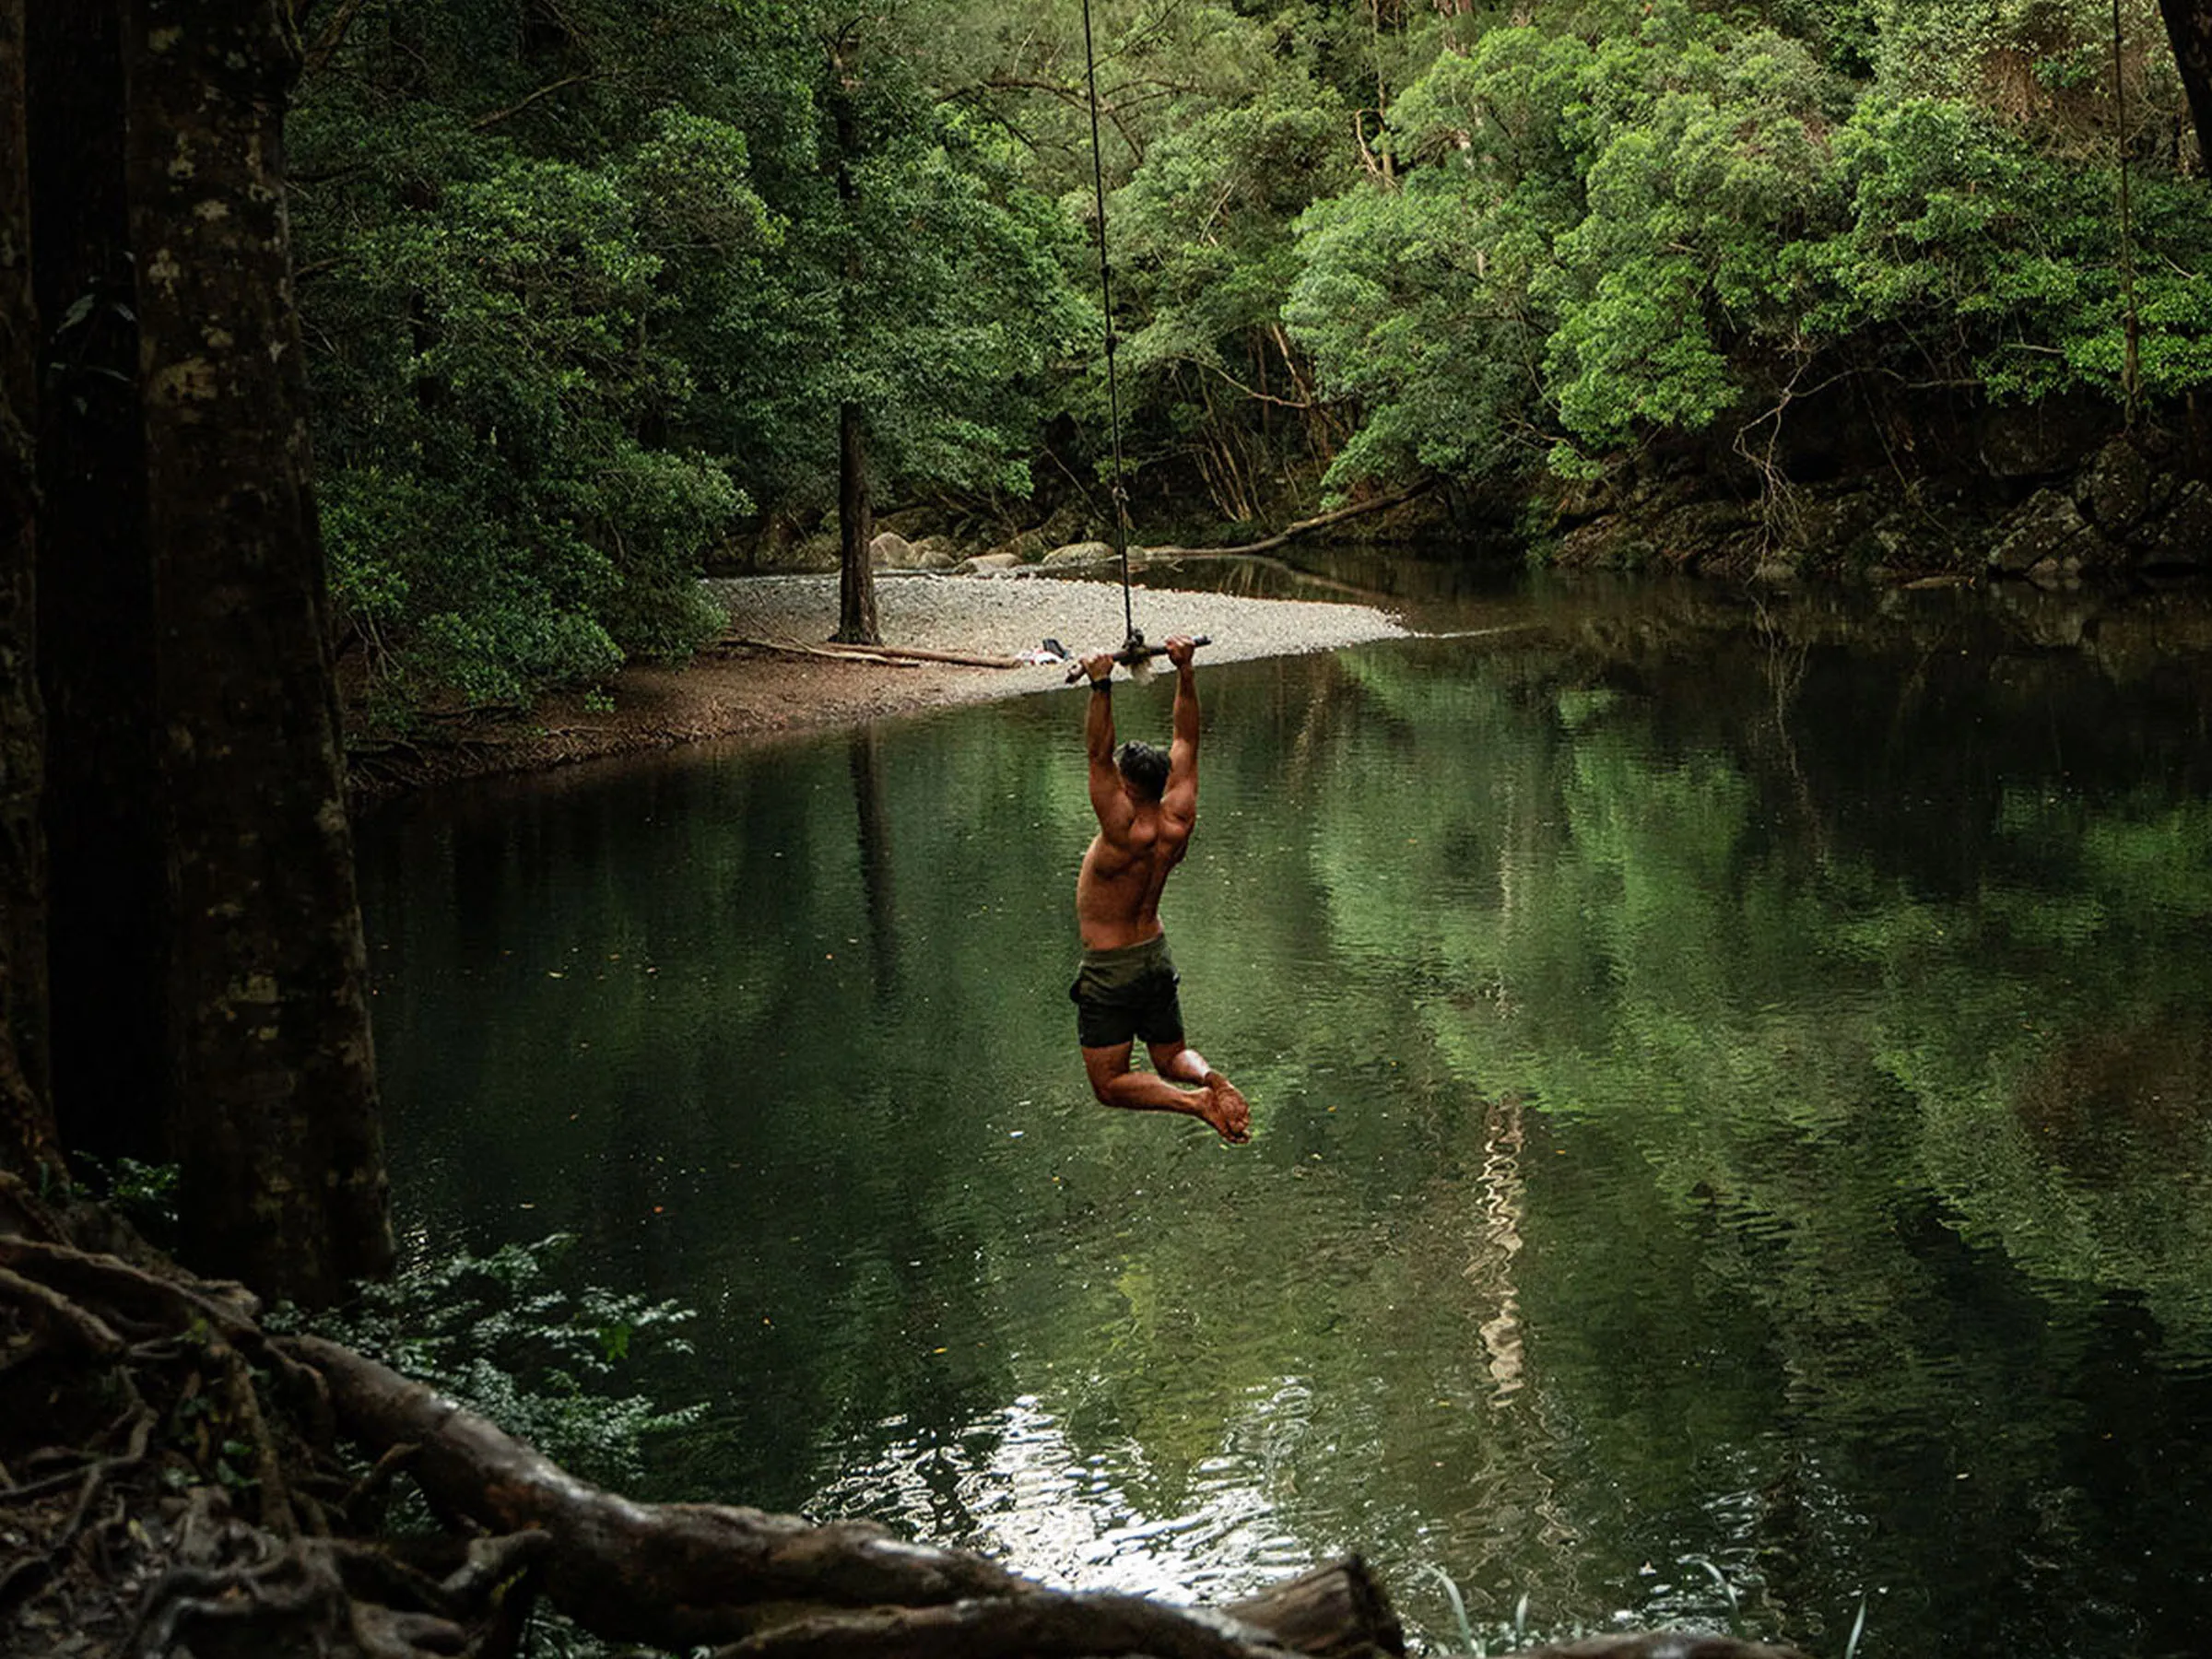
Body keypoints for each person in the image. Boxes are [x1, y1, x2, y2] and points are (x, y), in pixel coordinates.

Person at [1068, 634, 1252, 1143]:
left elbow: (1096, 755)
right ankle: (1208, 1076)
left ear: (1126, 788)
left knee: (1108, 1083)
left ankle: (1196, 1103)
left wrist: (1101, 684)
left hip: (1111, 968)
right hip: (1155, 954)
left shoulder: (1120, 831)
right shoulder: (1178, 818)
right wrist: (1185, 671)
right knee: (1171, 1055)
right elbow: (1187, 741)